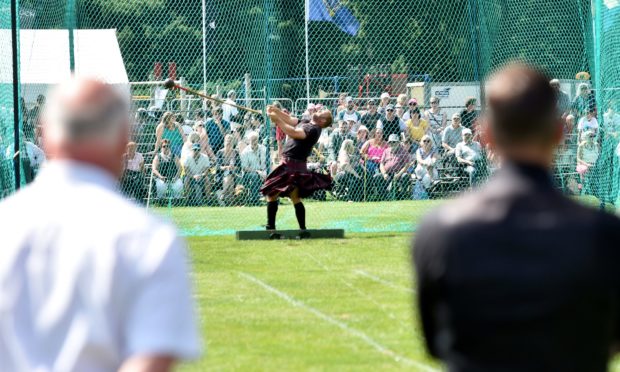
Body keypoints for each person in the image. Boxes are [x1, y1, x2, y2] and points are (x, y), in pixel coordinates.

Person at [413, 63, 620, 372]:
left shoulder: (440, 230)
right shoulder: (603, 233)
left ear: (486, 135)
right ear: (559, 133)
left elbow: (435, 341)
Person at [0, 77, 199, 371]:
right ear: (123, 139)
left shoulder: (6, 224)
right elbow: (152, 359)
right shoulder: (151, 238)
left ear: (45, 134)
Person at [260, 105, 333, 232]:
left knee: (273, 194)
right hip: (291, 164)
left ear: (323, 121)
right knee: (294, 197)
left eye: (322, 112)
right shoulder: (307, 121)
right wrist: (276, 111)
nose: (318, 110)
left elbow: (293, 133)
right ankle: (302, 229)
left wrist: (277, 120)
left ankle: (270, 228)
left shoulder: (314, 130)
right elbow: (290, 120)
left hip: (292, 166)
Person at [240, 132, 268, 205]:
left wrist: (266, 171)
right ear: (248, 141)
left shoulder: (263, 149)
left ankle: (274, 199)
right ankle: (255, 200)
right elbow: (244, 168)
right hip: (250, 173)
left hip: (264, 171)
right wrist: (257, 171)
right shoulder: (245, 152)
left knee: (274, 174)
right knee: (255, 176)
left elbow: (269, 163)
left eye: (255, 140)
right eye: (252, 140)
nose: (254, 142)